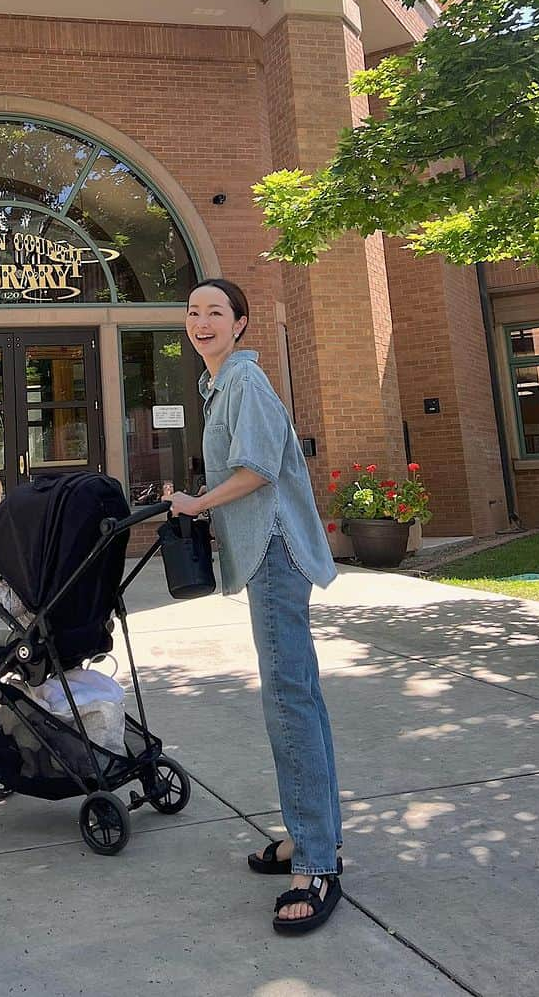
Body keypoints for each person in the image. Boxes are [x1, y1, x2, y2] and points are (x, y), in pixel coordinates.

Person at [168, 279, 343, 935]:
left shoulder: (244, 382)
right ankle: (311, 835)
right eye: (193, 311)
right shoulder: (221, 387)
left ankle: (318, 865)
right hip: (263, 554)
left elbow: (260, 469)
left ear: (240, 324)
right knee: (299, 697)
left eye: (216, 311)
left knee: (290, 702)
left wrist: (197, 502)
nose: (202, 321)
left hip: (275, 554)